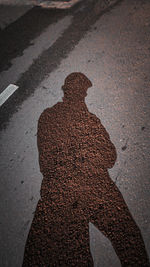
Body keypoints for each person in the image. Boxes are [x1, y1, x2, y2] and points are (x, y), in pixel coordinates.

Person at [22, 72, 149, 266]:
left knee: (71, 253)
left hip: (58, 196)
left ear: (65, 94)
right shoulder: (89, 121)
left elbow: (45, 164)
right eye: (83, 94)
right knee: (128, 238)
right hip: (95, 191)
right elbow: (110, 157)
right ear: (81, 95)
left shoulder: (47, 117)